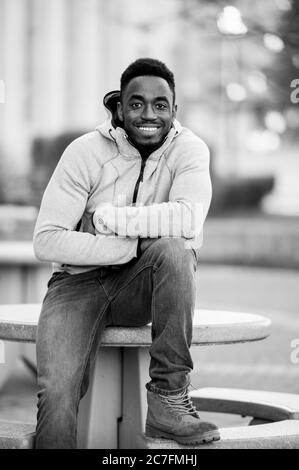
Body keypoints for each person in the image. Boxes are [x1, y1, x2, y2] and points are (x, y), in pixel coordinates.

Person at [33, 57, 219, 448]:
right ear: (119, 106)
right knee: (57, 394)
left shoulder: (189, 150)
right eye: (137, 104)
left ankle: (168, 401)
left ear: (173, 110)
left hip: (140, 285)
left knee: (174, 251)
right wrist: (129, 244)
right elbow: (47, 240)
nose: (148, 114)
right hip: (76, 283)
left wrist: (108, 218)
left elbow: (188, 221)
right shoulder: (85, 151)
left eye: (160, 104)